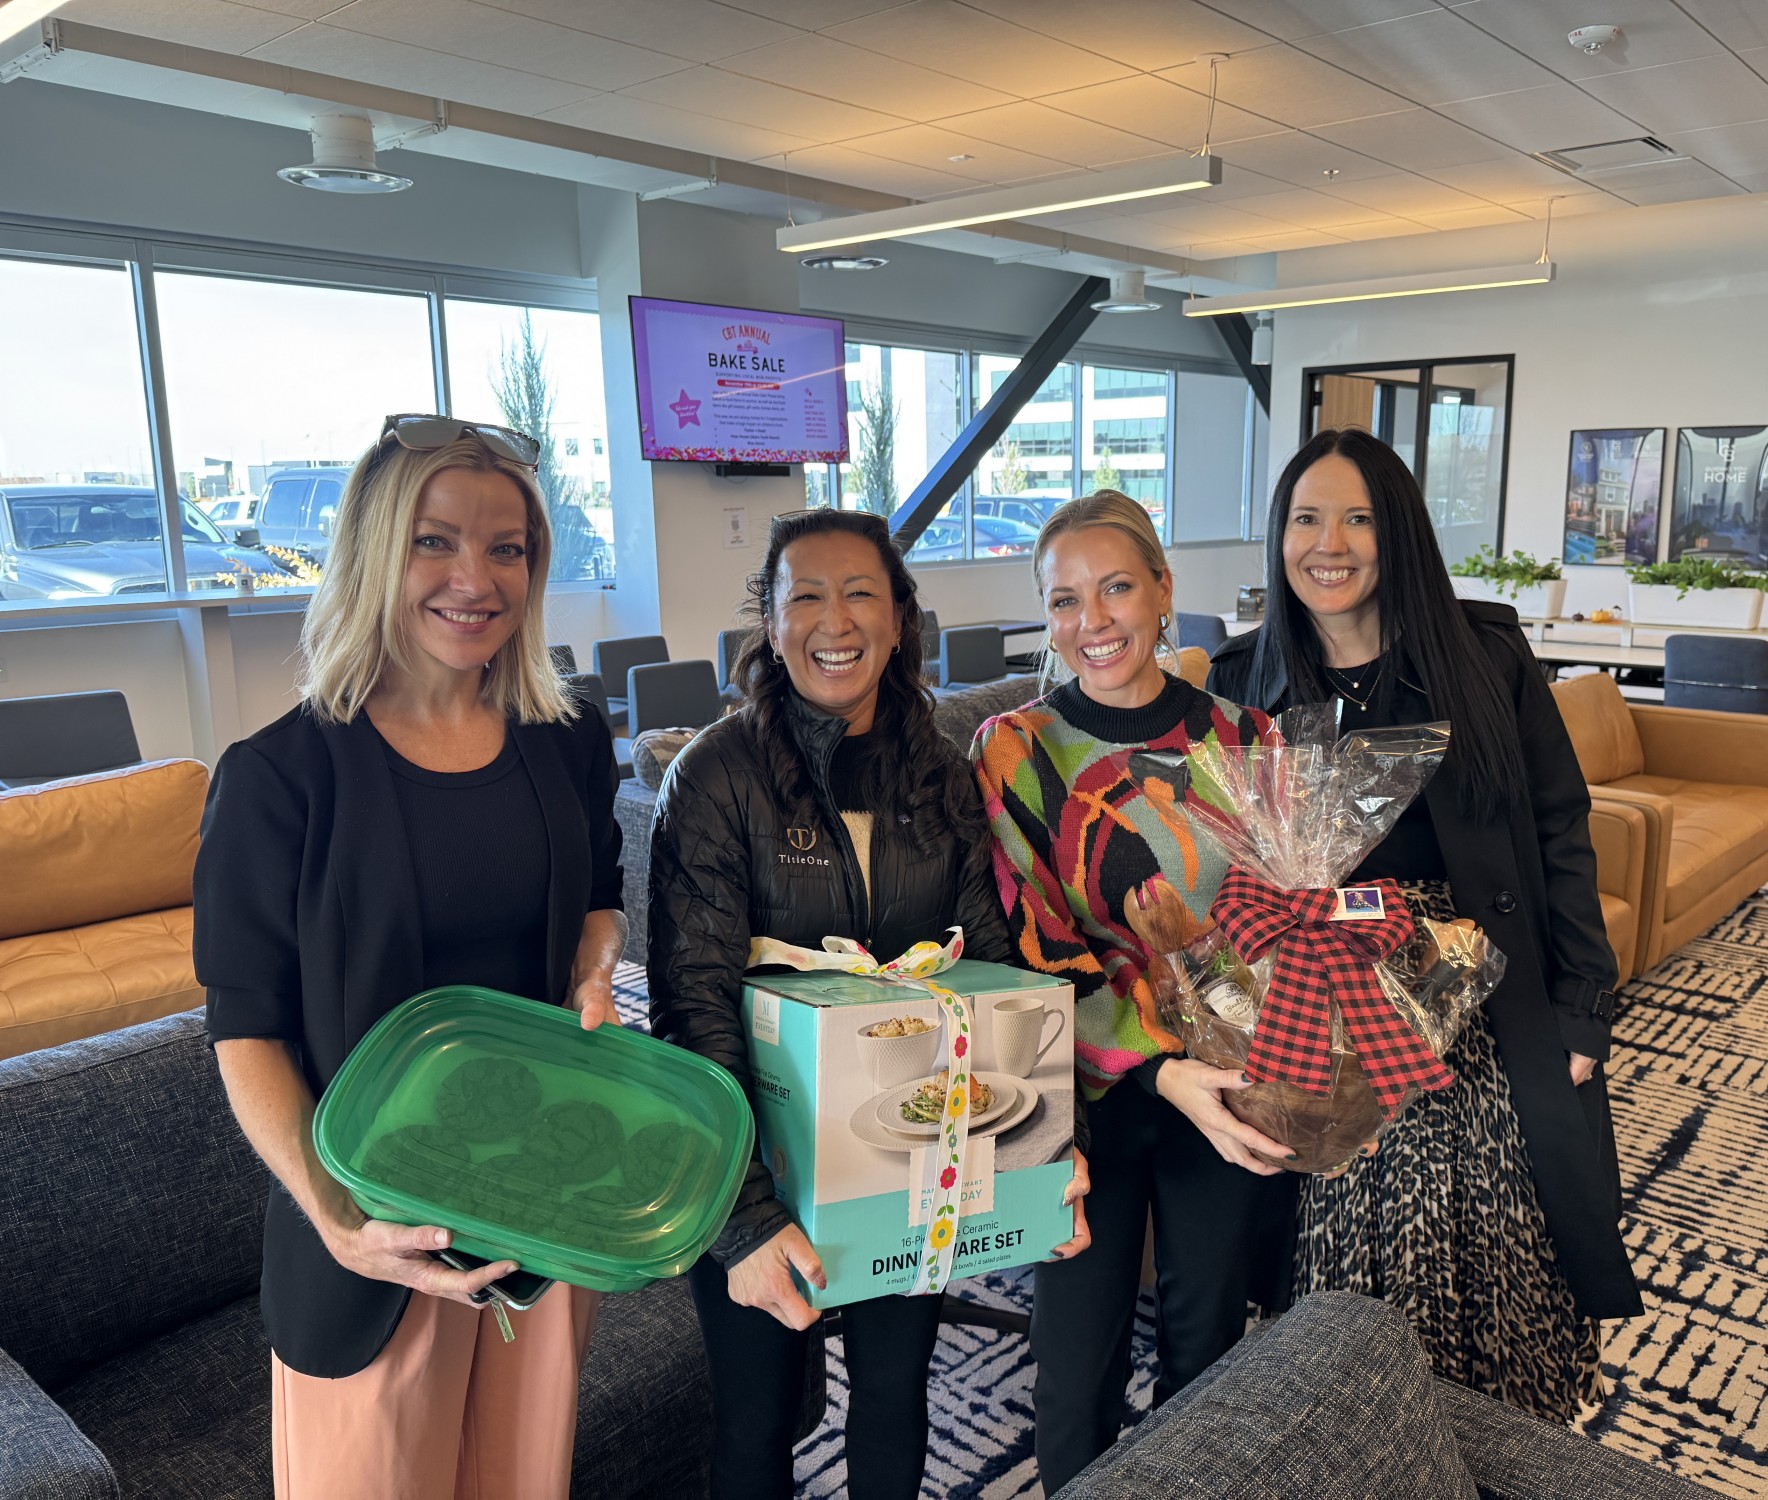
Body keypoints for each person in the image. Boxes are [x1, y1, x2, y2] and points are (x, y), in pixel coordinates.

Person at [195, 414, 626, 1498]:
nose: (474, 579)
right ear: (374, 552)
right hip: (376, 1240)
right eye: (434, 541)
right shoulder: (277, 778)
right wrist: (337, 1220)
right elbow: (246, 1030)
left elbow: (599, 898)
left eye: (506, 547)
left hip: (540, 1213)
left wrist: (593, 971)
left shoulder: (567, 736)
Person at [1207, 426, 1643, 1422]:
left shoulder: (1483, 655)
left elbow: (1559, 825)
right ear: (1277, 537)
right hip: (1319, 1005)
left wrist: (1582, 1006)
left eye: (1357, 519)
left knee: (1504, 1217)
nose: (1329, 544)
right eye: (1305, 519)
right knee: (1348, 1222)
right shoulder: (1240, 683)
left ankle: (1505, 1434)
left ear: (1398, 532)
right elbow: (1217, 870)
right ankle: (1365, 1429)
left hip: (1482, 990)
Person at [649, 508, 1085, 1500]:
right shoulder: (715, 776)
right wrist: (743, 1219)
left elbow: (997, 973)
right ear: (771, 624)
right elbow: (690, 1011)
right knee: (757, 1420)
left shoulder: (940, 774)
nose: (833, 620)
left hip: (904, 1156)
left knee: (894, 1394)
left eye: (859, 594)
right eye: (804, 595)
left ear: (897, 621)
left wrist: (1053, 1152)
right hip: (746, 1159)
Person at [971, 490, 1298, 1494]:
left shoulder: (1248, 737)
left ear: (1163, 590)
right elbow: (1032, 942)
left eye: (1115, 588)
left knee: (1208, 1345)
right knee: (1075, 1363)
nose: (1092, 621)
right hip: (1080, 1092)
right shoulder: (1015, 748)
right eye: (1063, 600)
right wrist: (1157, 1065)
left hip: (1227, 1081)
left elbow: (1283, 917)